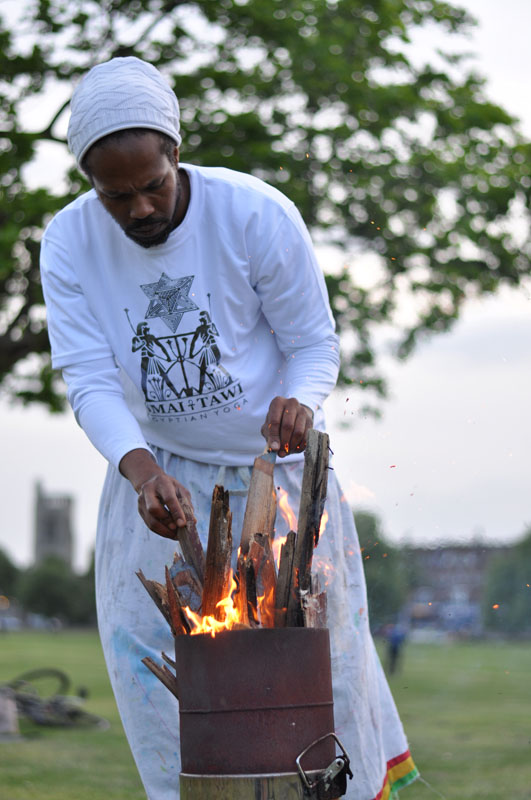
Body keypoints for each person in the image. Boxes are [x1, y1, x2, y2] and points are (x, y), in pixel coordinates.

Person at [39, 57, 418, 800]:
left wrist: (300, 401)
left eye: (153, 183)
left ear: (176, 154)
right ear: (90, 182)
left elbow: (313, 343)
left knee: (320, 671)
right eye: (117, 195)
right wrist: (141, 471)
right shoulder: (69, 242)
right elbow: (86, 377)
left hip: (271, 484)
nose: (140, 208)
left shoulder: (255, 213)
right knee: (162, 678)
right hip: (162, 480)